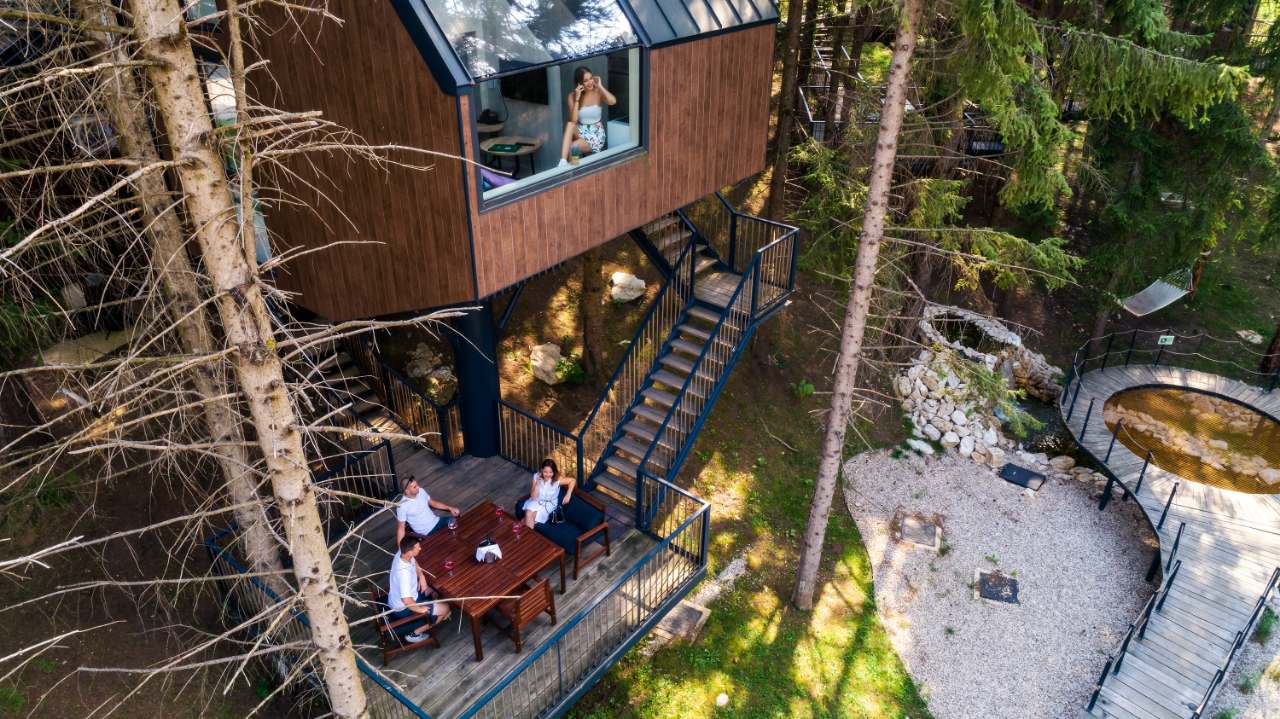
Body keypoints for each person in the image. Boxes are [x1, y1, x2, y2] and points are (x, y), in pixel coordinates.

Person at [386, 536, 451, 644]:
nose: (420, 548)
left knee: (435, 589)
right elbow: (406, 601)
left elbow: (414, 560)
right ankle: (414, 634)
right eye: (418, 547)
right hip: (402, 608)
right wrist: (421, 610)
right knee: (446, 608)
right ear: (409, 552)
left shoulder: (401, 553)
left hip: (405, 595)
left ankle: (436, 608)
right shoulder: (403, 574)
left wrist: (421, 575)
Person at [558, 66, 616, 167]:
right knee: (570, 125)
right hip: (582, 130)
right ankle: (563, 161)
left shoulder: (598, 92)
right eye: (585, 81)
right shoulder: (572, 96)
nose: (590, 82)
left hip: (596, 133)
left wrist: (600, 86)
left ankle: (574, 168)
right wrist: (577, 99)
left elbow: (613, 101)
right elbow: (574, 120)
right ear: (579, 83)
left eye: (591, 78)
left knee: (573, 147)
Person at [394, 474, 459, 545]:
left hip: (437, 521)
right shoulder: (402, 506)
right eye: (415, 487)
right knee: (448, 541)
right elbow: (401, 529)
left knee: (455, 522)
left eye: (417, 485)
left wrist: (450, 508)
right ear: (407, 491)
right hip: (427, 533)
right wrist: (401, 548)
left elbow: (433, 503)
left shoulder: (421, 491)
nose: (418, 487)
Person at [522, 458, 576, 528]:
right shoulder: (536, 476)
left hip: (549, 504)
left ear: (554, 472)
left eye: (551, 472)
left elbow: (572, 480)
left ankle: (523, 529)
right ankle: (525, 531)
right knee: (528, 512)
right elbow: (533, 497)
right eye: (545, 472)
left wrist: (568, 494)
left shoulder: (557, 479)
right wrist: (537, 484)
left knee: (531, 517)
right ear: (542, 470)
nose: (548, 474)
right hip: (537, 500)